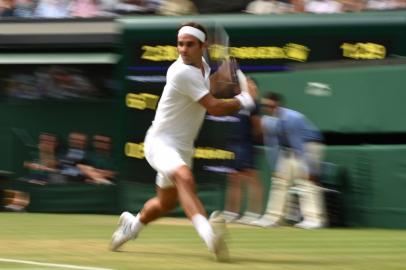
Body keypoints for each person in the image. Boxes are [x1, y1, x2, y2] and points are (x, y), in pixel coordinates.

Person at [110, 22, 256, 261]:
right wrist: (244, 100)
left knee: (165, 203)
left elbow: (208, 87)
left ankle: (131, 226)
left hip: (182, 147)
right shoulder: (181, 71)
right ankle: (211, 238)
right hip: (160, 143)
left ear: (203, 46)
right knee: (185, 177)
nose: (183, 49)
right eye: (180, 44)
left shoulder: (203, 68)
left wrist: (222, 77)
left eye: (189, 44)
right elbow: (215, 107)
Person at [253, 92, 327, 229]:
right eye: (264, 105)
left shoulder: (291, 118)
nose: (266, 108)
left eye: (269, 105)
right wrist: (275, 168)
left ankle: (314, 219)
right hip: (289, 149)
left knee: (305, 181)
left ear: (277, 104)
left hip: (309, 146)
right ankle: (273, 217)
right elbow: (272, 145)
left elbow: (298, 145)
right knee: (279, 182)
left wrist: (308, 169)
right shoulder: (269, 121)